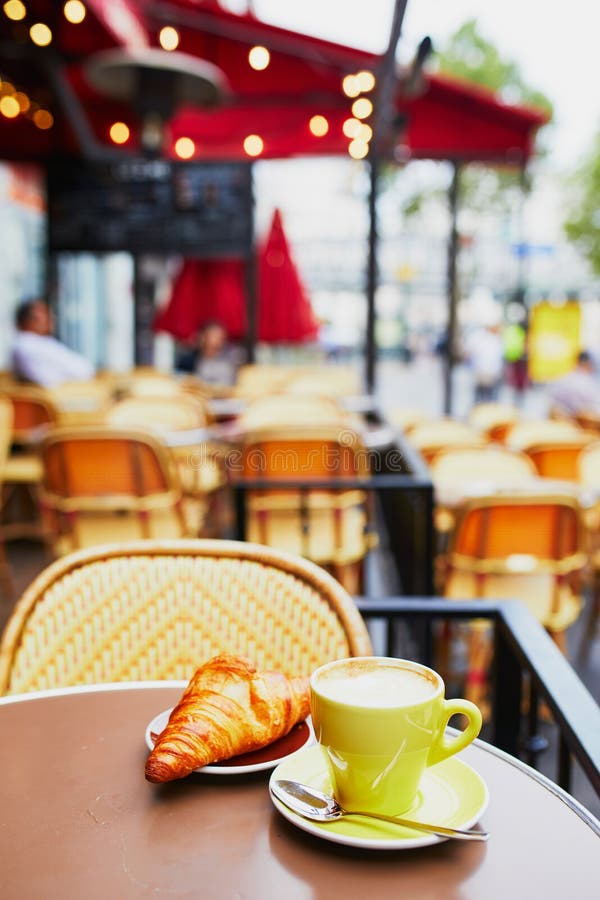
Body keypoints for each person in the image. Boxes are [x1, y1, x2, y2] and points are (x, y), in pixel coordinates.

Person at [11, 299, 94, 388]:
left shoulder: (42, 342)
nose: (51, 318)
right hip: (53, 397)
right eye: (43, 314)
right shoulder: (25, 344)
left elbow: (84, 368)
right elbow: (47, 380)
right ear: (27, 320)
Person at [175, 320, 243, 386]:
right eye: (214, 336)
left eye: (220, 336)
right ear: (202, 337)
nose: (218, 340)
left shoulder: (232, 358)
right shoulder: (188, 361)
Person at [548, 351, 600, 416]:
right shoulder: (588, 383)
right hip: (578, 421)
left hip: (560, 420)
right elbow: (592, 408)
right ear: (588, 364)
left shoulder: (563, 378)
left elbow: (551, 400)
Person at [465, 323, 505, 404]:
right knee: (484, 397)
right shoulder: (487, 339)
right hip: (484, 371)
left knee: (487, 397)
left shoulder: (494, 339)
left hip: (488, 372)